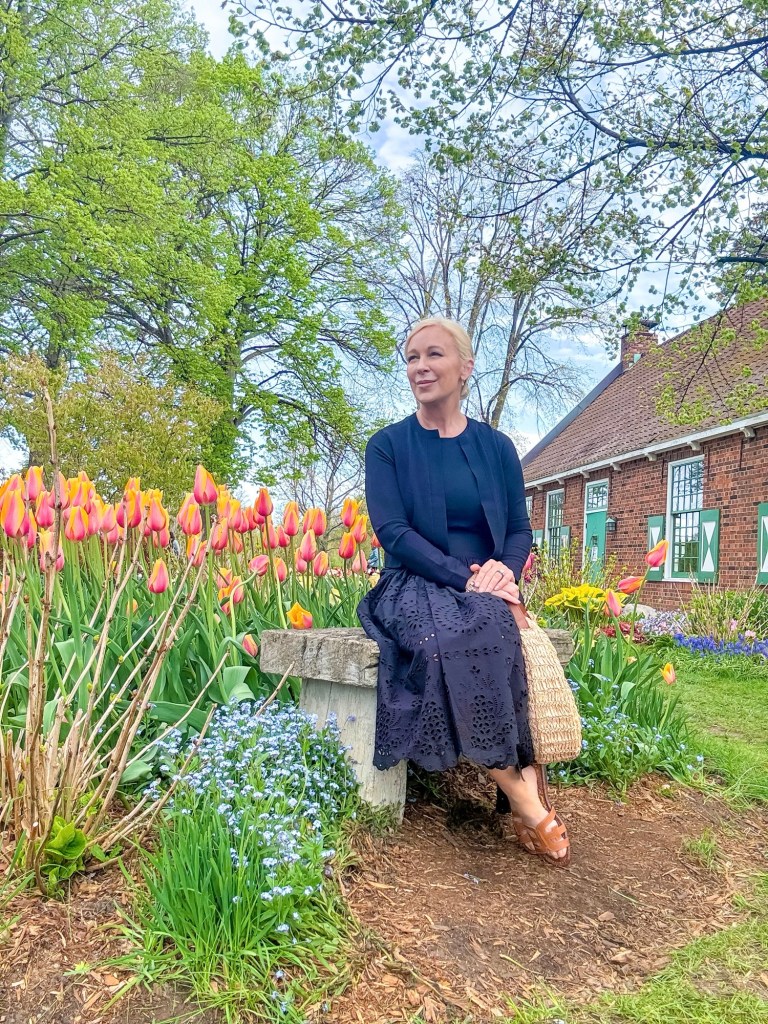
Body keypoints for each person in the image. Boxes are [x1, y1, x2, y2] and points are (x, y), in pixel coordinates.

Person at [357, 317, 570, 865]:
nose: (420, 367)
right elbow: (393, 533)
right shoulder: (388, 446)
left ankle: (525, 796)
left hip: (488, 585)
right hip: (414, 582)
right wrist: (466, 577)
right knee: (445, 642)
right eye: (411, 358)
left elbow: (520, 528)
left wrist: (505, 572)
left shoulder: (496, 447)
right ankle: (527, 799)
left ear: (466, 367)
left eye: (433, 355)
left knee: (499, 628)